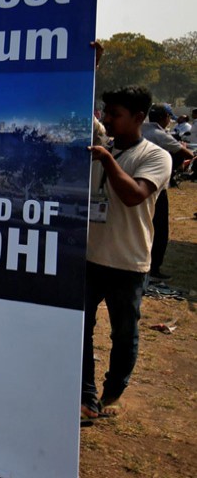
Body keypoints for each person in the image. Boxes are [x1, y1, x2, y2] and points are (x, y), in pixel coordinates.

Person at [82, 85, 172, 420]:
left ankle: (113, 393)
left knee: (124, 334)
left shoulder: (154, 156)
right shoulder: (100, 147)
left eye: (115, 115)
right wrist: (91, 62)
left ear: (139, 117)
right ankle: (87, 396)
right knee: (81, 329)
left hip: (127, 261)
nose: (107, 119)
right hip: (90, 258)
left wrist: (107, 160)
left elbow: (134, 194)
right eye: (106, 113)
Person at [141, 104, 193, 281]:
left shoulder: (139, 129)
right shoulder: (161, 135)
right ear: (164, 118)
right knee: (159, 228)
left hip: (133, 183)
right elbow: (187, 153)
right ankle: (154, 268)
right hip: (156, 187)